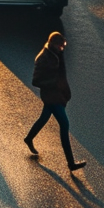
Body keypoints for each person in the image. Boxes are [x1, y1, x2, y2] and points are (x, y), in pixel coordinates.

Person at [24, 33, 88, 179]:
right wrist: (53, 84)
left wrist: (65, 90)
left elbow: (62, 75)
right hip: (51, 96)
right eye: (60, 46)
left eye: (63, 46)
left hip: (59, 95)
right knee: (64, 125)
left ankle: (29, 138)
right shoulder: (43, 58)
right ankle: (71, 163)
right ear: (52, 44)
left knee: (43, 118)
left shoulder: (58, 54)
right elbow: (36, 81)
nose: (62, 48)